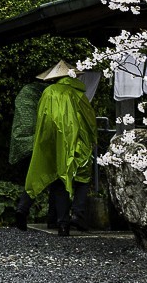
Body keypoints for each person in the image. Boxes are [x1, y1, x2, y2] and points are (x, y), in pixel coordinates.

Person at [19, 60, 97, 236]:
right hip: (77, 141)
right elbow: (89, 120)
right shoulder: (77, 94)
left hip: (50, 141)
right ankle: (75, 215)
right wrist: (92, 139)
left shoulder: (47, 92)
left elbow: (42, 116)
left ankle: (24, 209)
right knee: (82, 178)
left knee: (46, 174)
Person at [7, 76, 45, 230]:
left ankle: (22, 208)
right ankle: (57, 219)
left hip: (26, 141)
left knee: (33, 178)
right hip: (44, 141)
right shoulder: (49, 94)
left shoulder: (25, 92)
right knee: (56, 181)